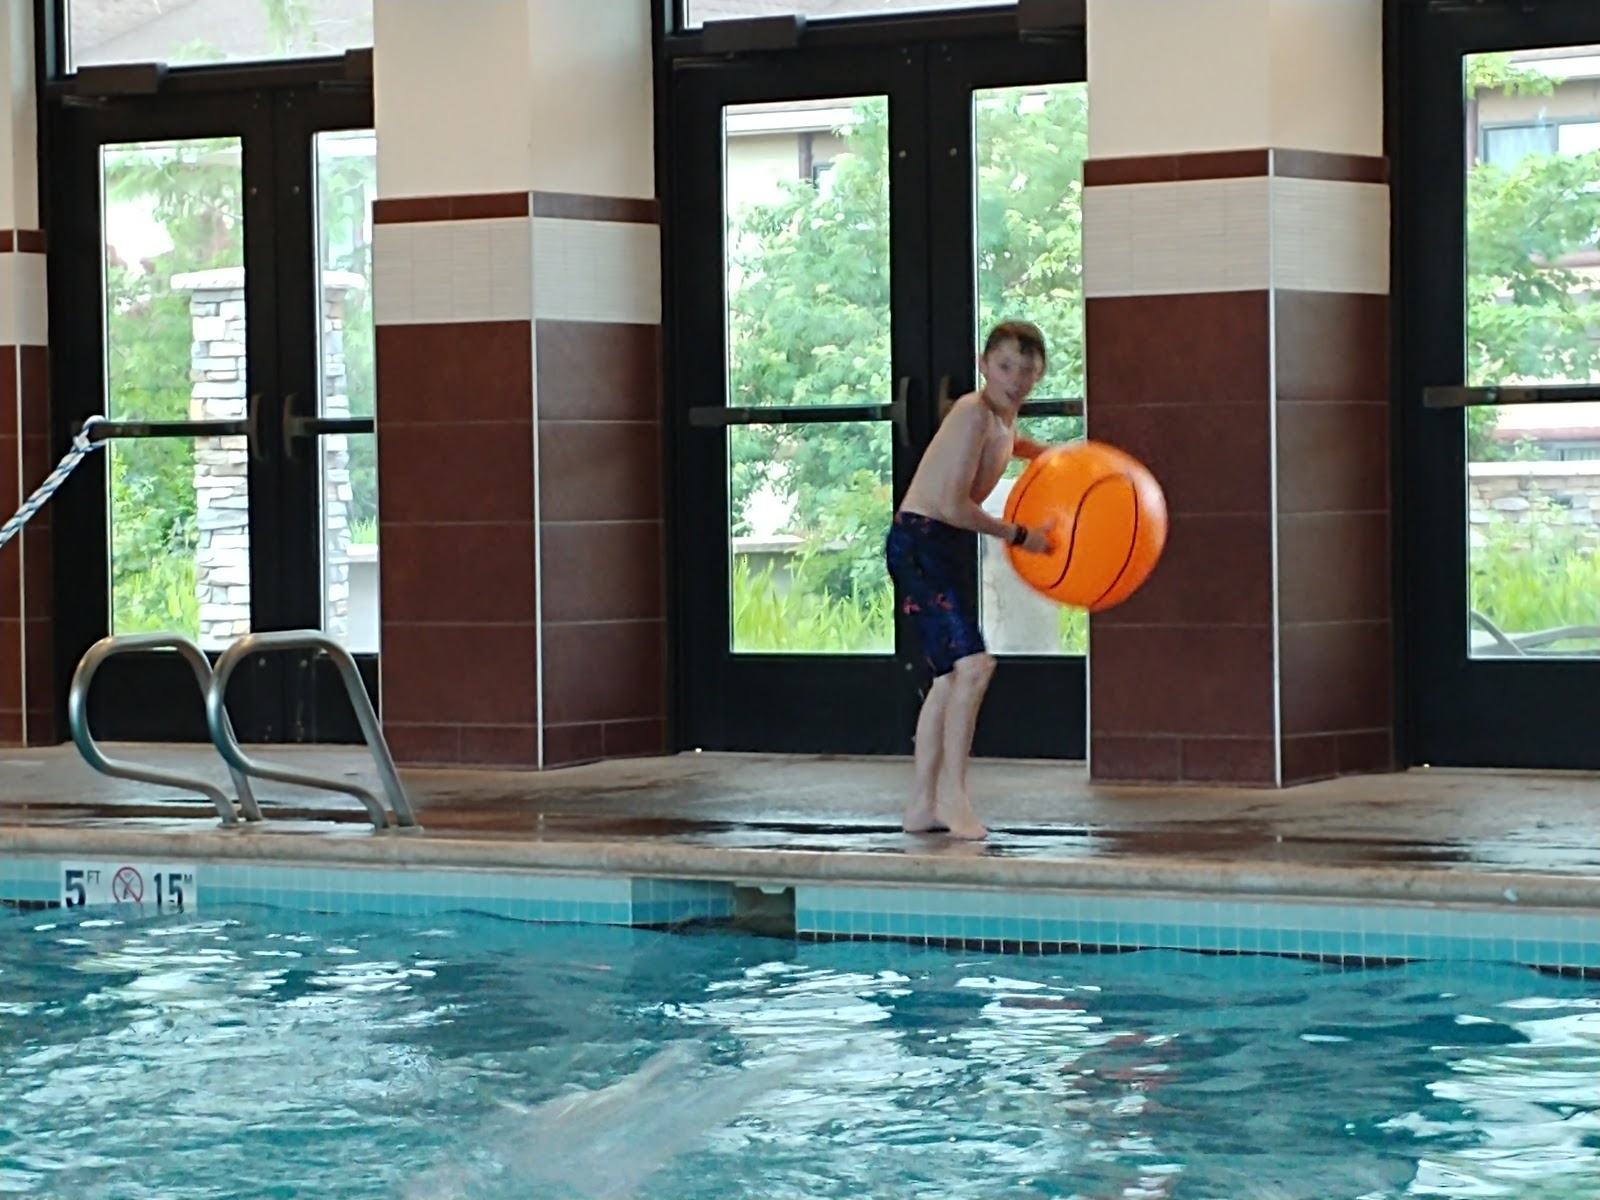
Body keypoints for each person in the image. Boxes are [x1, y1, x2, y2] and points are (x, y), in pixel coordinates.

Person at [884, 320, 1058, 840]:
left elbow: (1013, 444)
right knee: (974, 667)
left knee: (949, 678)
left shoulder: (1002, 420)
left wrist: (1056, 456)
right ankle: (953, 800)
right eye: (1005, 367)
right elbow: (951, 505)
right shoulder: (971, 414)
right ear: (983, 365)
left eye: (1027, 371)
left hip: (938, 547)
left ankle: (922, 806)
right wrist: (1019, 534)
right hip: (921, 543)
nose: (1015, 380)